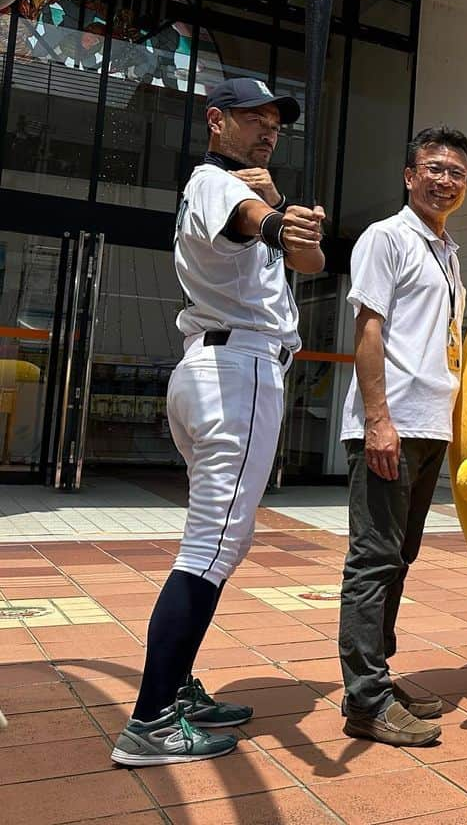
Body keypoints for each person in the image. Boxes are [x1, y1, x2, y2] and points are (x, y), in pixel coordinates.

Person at [111, 78, 325, 766]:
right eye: (250, 119)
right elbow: (251, 223)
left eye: (274, 123)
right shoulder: (213, 180)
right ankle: (150, 723)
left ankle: (174, 689)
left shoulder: (244, 187)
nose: (266, 131)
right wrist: (275, 217)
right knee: (210, 550)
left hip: (218, 369)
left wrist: (289, 216)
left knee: (211, 544)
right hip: (237, 372)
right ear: (215, 122)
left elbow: (309, 260)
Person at [338, 126, 467, 747]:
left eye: (457, 173)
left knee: (400, 556)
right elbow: (369, 330)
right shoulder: (386, 239)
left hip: (430, 426)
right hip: (391, 424)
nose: (445, 180)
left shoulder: (448, 251)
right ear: (409, 174)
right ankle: (365, 700)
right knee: (372, 559)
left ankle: (381, 680)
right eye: (434, 168)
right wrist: (377, 420)